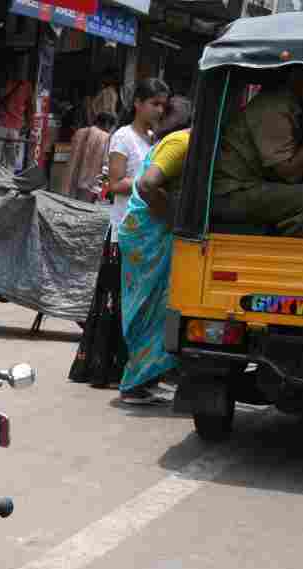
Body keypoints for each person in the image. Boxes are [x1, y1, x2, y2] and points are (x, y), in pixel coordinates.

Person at [69, 78, 169, 396]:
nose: (159, 110)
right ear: (138, 103)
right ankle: (110, 369)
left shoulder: (155, 139)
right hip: (124, 231)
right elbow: (114, 184)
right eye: (154, 103)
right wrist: (149, 179)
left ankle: (141, 370)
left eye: (163, 105)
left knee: (144, 303)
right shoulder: (123, 138)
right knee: (119, 302)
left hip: (148, 234)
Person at [117, 97, 195, 401]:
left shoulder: (176, 140)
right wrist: (175, 217)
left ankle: (145, 378)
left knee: (154, 306)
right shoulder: (182, 143)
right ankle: (135, 383)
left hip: (147, 232)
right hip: (147, 234)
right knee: (148, 307)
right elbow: (148, 185)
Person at [211, 67, 303, 238]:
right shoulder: (273, 106)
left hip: (253, 186)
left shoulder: (298, 107)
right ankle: (291, 258)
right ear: (296, 77)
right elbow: (291, 174)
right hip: (232, 192)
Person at [62, 112, 115, 203]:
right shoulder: (106, 138)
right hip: (91, 184)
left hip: (73, 178)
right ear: (107, 124)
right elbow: (106, 163)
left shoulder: (79, 132)